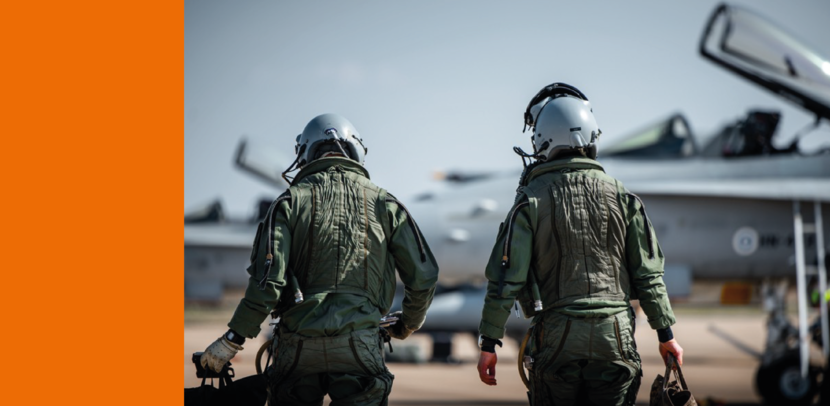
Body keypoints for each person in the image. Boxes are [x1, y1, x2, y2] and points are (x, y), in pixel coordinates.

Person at [200, 113, 439, 406]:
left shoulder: (287, 203)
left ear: (305, 153)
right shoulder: (386, 204)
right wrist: (407, 324)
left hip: (297, 349)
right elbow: (424, 275)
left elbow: (267, 284)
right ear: (356, 151)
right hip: (360, 346)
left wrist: (231, 340)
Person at [475, 83, 684, 406]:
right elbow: (648, 276)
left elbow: (507, 278)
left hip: (557, 340)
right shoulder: (624, 197)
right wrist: (666, 336)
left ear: (542, 139)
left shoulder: (530, 199)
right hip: (614, 338)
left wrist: (489, 342)